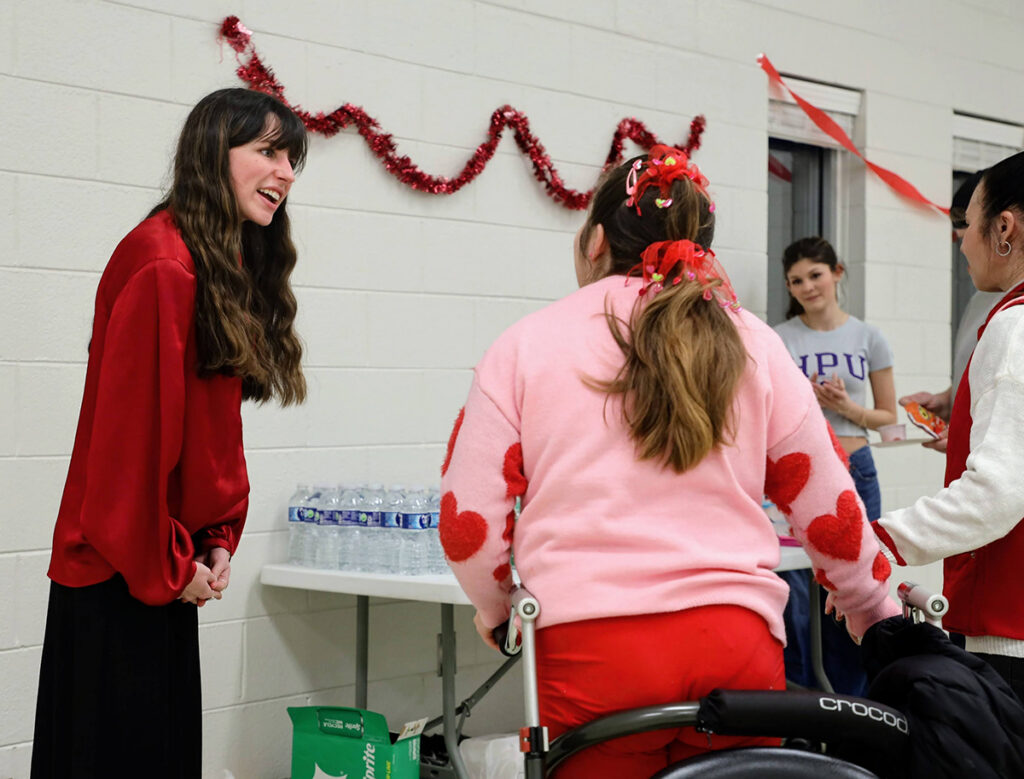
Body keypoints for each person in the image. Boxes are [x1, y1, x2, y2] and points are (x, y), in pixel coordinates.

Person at [439, 145, 899, 778]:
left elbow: (468, 524)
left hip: (592, 652)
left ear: (595, 240)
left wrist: (498, 610)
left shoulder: (525, 344)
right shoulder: (754, 342)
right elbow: (832, 508)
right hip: (736, 644)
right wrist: (873, 608)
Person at [31, 88, 308, 778]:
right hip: (119, 582)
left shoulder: (212, 264)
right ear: (214, 151)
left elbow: (209, 437)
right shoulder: (165, 265)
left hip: (157, 574)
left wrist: (213, 538)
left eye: (292, 158)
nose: (286, 173)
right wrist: (168, 564)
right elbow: (124, 462)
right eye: (268, 151)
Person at [874, 151, 1024, 702]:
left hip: (1010, 635)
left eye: (967, 224)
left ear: (1003, 227)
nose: (961, 241)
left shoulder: (1016, 326)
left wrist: (881, 540)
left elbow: (999, 491)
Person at [773, 236, 898, 695]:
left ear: (838, 272)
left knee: (859, 590)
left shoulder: (869, 337)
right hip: (802, 474)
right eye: (796, 281)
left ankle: (858, 703)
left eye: (815, 275)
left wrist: (846, 407)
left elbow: (887, 416)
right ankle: (807, 705)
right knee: (800, 597)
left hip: (857, 468)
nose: (807, 287)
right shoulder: (781, 338)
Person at [900, 171, 1002, 453]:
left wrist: (967, 442)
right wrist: (949, 400)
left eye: (966, 236)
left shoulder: (1014, 311)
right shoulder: (979, 300)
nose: (963, 250)